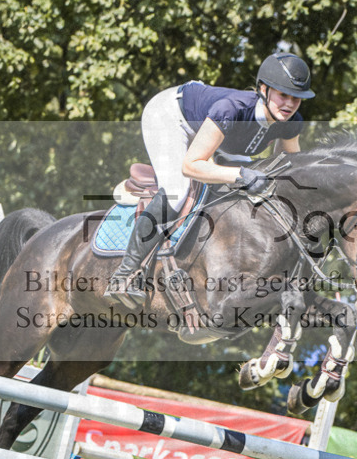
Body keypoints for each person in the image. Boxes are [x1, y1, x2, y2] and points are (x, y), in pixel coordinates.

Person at [104, 52, 315, 308]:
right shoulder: (233, 110)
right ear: (264, 89)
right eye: (284, 95)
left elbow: (289, 172)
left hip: (219, 134)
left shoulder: (291, 123)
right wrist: (240, 174)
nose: (290, 104)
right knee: (177, 190)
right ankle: (125, 273)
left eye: (297, 98)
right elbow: (191, 165)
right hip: (172, 116)